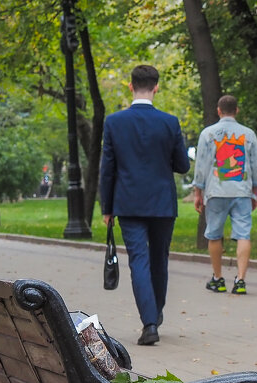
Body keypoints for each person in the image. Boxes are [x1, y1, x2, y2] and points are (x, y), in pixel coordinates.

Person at [100, 64, 190, 346]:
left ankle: (149, 322)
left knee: (138, 259)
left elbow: (108, 168)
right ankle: (156, 311)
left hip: (127, 203)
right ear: (156, 87)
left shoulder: (114, 122)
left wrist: (106, 207)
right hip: (162, 202)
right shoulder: (170, 122)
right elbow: (182, 165)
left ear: (130, 86)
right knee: (159, 259)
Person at [191, 94, 257, 295]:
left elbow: (202, 166)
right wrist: (255, 191)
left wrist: (198, 192)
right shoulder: (248, 134)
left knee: (214, 234)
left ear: (218, 110)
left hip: (216, 191)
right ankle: (240, 280)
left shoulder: (208, 134)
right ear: (237, 110)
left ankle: (218, 278)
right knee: (243, 234)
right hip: (242, 191)